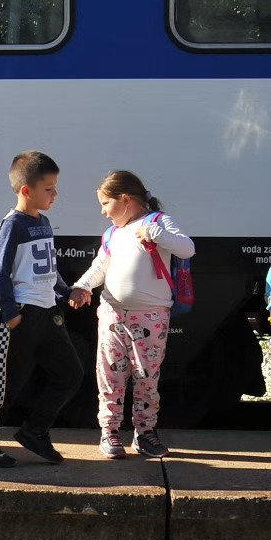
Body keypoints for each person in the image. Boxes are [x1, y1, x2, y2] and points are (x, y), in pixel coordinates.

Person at [0, 152, 83, 468]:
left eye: (55, 187)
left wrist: (66, 290)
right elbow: (1, 271)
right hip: (23, 314)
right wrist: (10, 313)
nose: (55, 194)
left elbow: (48, 268)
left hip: (48, 315)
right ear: (26, 190)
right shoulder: (12, 225)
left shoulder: (42, 222)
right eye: (49, 188)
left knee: (70, 373)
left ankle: (35, 429)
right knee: (7, 386)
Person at [70, 170, 193, 460]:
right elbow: (100, 266)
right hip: (113, 314)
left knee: (147, 376)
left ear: (125, 199)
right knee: (110, 375)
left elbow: (187, 248)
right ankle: (109, 432)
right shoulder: (113, 233)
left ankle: (145, 432)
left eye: (105, 203)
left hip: (150, 317)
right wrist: (82, 286)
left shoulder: (156, 222)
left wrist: (154, 233)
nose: (103, 211)